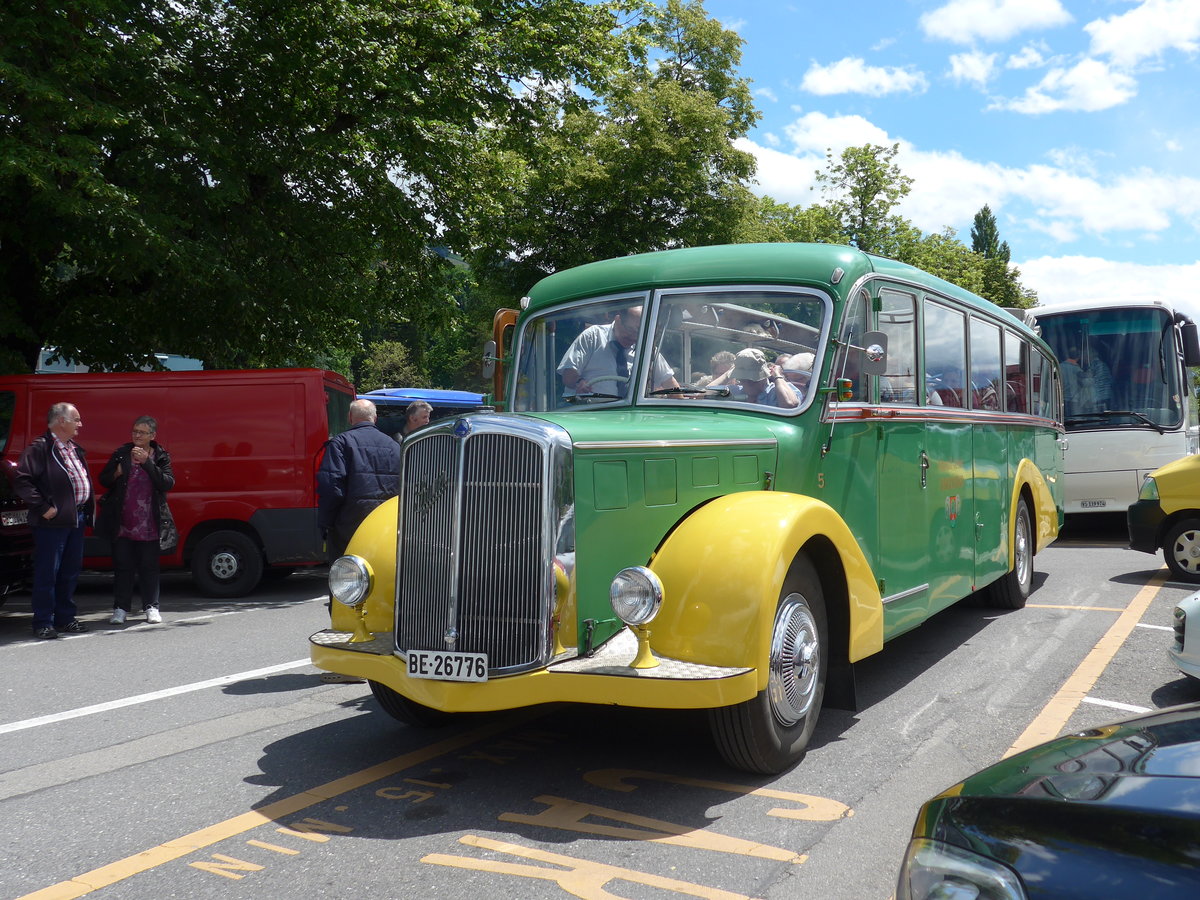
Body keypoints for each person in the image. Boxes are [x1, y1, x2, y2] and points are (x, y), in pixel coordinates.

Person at [14, 402, 94, 639]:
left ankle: (65, 618)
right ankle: (43, 622)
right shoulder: (40, 448)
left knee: (70, 571)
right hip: (51, 521)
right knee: (48, 572)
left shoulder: (73, 448)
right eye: (76, 419)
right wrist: (43, 507)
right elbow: (22, 480)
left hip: (75, 518)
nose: (80, 424)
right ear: (61, 421)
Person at [97, 416, 176, 625]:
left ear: (152, 436)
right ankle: (120, 608)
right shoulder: (122, 453)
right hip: (123, 521)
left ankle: (151, 606)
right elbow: (103, 479)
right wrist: (117, 472)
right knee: (123, 566)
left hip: (149, 521)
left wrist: (147, 463)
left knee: (149, 566)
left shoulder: (160, 456)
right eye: (134, 431)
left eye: (142, 432)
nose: (137, 436)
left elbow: (167, 483)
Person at [317, 399, 400, 561]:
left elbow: (331, 486)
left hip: (350, 522)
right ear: (374, 419)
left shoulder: (340, 443)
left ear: (350, 417)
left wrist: (326, 523)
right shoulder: (394, 445)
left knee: (348, 574)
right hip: (385, 522)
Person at [557, 305, 678, 399]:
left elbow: (670, 383)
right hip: (588, 413)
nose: (634, 337)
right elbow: (569, 373)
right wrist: (579, 383)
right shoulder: (593, 336)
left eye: (639, 332)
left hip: (626, 417)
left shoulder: (645, 347)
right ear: (618, 319)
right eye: (630, 330)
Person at [719, 348, 799, 408]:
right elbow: (706, 394)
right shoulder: (734, 391)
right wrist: (727, 374)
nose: (747, 383)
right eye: (743, 379)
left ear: (764, 375)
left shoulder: (776, 392)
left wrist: (778, 376)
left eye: (752, 380)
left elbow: (790, 404)